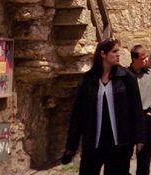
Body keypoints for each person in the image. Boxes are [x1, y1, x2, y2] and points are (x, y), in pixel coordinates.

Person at [61, 37, 145, 175]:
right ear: (103, 54)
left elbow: (136, 109)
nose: (118, 54)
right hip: (93, 143)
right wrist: (71, 146)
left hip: (119, 144)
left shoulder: (127, 78)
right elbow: (78, 115)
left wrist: (140, 138)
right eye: (114, 51)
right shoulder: (88, 80)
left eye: (118, 51)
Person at [129, 45, 151, 175]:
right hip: (129, 120)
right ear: (134, 59)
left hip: (145, 118)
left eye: (146, 56)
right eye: (143, 58)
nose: (146, 60)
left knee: (144, 157)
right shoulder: (125, 76)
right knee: (124, 155)